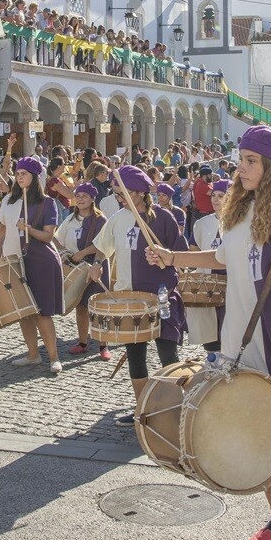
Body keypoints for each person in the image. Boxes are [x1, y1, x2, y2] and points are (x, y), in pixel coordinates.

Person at [147, 126, 271, 540]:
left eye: (251, 161)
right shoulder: (236, 214)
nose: (241, 168)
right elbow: (221, 259)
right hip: (238, 345)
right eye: (242, 159)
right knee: (262, 439)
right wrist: (173, 256)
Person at [89, 165, 188, 425]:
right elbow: (102, 247)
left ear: (141, 193)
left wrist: (165, 259)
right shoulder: (118, 218)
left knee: (168, 352)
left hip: (162, 295)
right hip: (129, 297)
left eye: (123, 193)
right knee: (136, 355)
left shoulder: (164, 218)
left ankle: (173, 409)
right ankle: (142, 409)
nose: (119, 198)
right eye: (117, 193)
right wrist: (98, 263)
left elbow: (181, 255)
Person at [0, 157, 64, 373]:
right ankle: (33, 354)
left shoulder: (47, 203)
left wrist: (28, 229)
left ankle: (54, 357)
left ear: (34, 178)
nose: (19, 177)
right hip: (14, 260)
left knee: (42, 312)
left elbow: (47, 237)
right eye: (18, 174)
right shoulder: (8, 199)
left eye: (24, 174)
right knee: (24, 311)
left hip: (39, 260)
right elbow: (2, 227)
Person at [55, 183, 111, 359]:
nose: (80, 199)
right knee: (80, 305)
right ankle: (82, 342)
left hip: (95, 264)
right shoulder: (71, 218)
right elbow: (56, 239)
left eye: (84, 196)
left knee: (99, 306)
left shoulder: (101, 220)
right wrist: (65, 253)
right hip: (76, 267)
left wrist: (84, 253)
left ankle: (103, 345)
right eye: (78, 196)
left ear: (93, 199)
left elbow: (103, 243)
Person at [187, 178, 230, 353]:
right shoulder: (202, 224)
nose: (215, 199)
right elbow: (193, 250)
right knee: (210, 336)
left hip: (232, 287)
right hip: (208, 286)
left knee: (229, 333)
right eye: (213, 195)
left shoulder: (242, 224)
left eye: (221, 196)